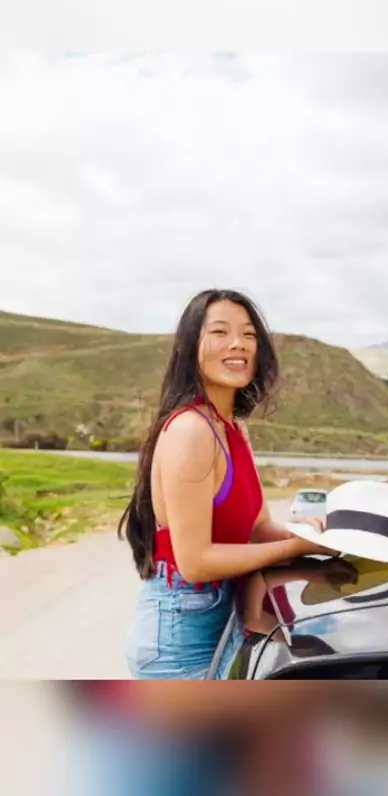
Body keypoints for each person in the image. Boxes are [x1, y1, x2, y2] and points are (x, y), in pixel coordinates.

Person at [118, 288, 335, 679]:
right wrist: (294, 547)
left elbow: (257, 528)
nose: (238, 344)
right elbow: (195, 562)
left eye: (249, 334)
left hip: (220, 617)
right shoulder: (190, 430)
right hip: (179, 639)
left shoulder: (233, 428)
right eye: (220, 331)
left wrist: (307, 536)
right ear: (190, 346)